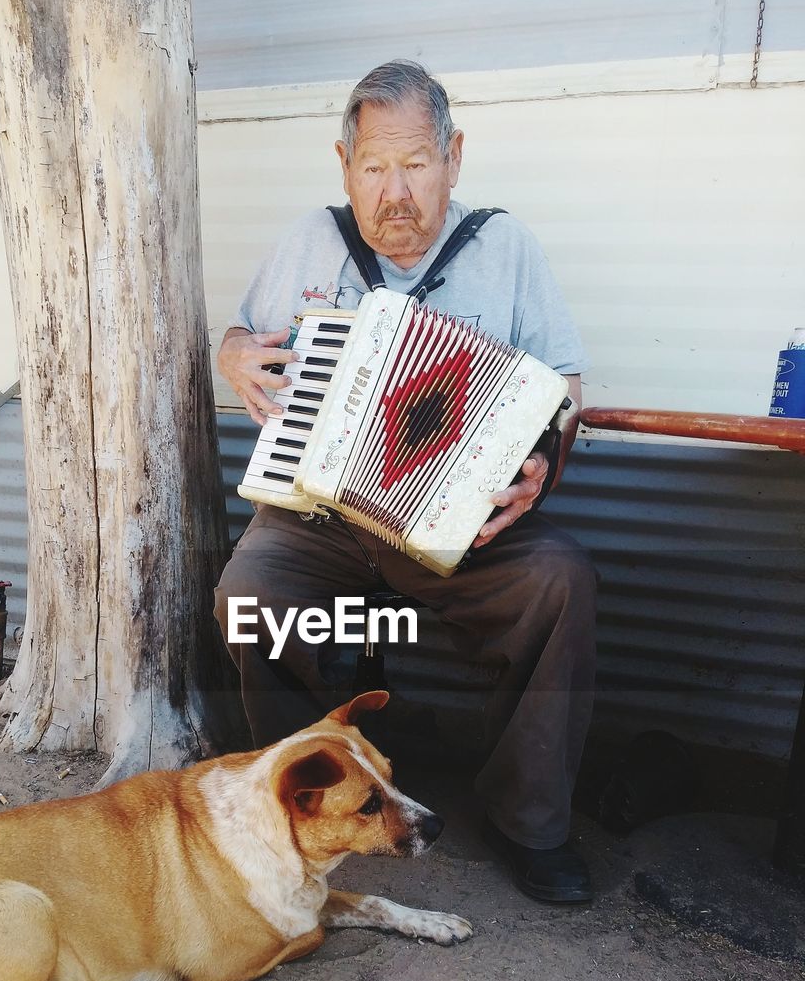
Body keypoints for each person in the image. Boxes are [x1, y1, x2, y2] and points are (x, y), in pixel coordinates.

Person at [214, 60, 596, 904]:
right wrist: (235, 354)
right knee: (250, 593)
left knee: (559, 581)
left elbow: (566, 387)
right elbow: (243, 330)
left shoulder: (504, 248)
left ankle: (527, 821)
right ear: (345, 164)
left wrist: (542, 462)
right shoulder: (312, 240)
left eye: (416, 163)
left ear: (453, 158)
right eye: (375, 166)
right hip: (318, 521)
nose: (396, 191)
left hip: (454, 530)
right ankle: (295, 806)